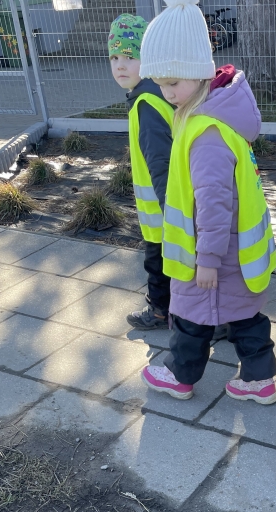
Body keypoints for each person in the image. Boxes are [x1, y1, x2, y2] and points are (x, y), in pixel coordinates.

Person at [137, 0, 276, 404]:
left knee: (193, 317)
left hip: (212, 253)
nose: (167, 93)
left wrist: (208, 261)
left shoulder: (207, 135)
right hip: (235, 252)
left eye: (173, 82)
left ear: (200, 72)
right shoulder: (213, 117)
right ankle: (259, 379)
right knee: (244, 315)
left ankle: (180, 376)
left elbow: (214, 203)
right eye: (160, 84)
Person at [108, 13, 173, 331]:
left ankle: (161, 312)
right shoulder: (152, 94)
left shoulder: (147, 104)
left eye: (130, 57)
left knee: (158, 263)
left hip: (163, 213)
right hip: (165, 210)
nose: (120, 66)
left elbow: (160, 163)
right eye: (114, 58)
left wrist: (170, 210)